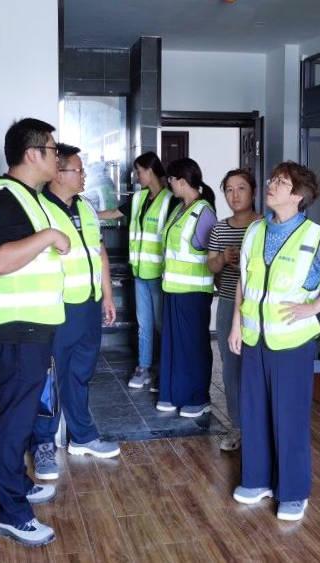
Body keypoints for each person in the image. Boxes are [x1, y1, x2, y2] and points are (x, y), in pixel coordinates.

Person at [228, 162, 320, 522]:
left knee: (289, 417)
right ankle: (256, 480)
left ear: (298, 196)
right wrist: (236, 324)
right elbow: (243, 280)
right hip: (254, 337)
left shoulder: (315, 237)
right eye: (272, 179)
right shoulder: (255, 230)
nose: (271, 185)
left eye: (281, 182)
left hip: (292, 341)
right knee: (254, 411)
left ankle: (293, 491)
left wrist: (313, 307)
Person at [0, 118, 67, 547]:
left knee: (20, 415)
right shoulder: (3, 199)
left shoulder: (29, 198)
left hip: (29, 327)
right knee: (12, 421)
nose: (57, 157)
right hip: (14, 328)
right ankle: (12, 514)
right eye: (52, 149)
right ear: (32, 154)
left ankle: (16, 485)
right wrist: (48, 235)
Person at [30, 144, 121, 482]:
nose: (84, 176)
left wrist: (107, 295)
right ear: (58, 173)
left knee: (80, 373)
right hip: (57, 308)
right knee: (50, 378)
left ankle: (82, 436)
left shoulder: (86, 207)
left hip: (88, 305)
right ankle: (42, 443)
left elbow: (99, 252)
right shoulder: (39, 209)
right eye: (78, 170)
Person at [100, 152, 174, 392]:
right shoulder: (139, 198)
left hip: (160, 275)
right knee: (144, 325)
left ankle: (164, 370)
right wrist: (87, 214)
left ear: (150, 170)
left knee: (161, 325)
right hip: (140, 273)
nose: (136, 176)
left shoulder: (170, 200)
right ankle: (144, 367)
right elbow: (115, 213)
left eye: (139, 171)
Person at [157, 157, 217, 417]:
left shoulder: (204, 212)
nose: (168, 183)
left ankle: (198, 397)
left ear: (182, 181)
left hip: (194, 293)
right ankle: (172, 393)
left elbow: (212, 254)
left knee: (192, 346)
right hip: (173, 289)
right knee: (173, 345)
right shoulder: (179, 209)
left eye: (171, 179)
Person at [206, 170, 261, 452]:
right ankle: (237, 426)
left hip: (259, 307)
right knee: (231, 368)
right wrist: (223, 259)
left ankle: (259, 426)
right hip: (228, 302)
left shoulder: (263, 225)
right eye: (229, 189)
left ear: (253, 191)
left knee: (258, 366)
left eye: (241, 188)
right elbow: (211, 266)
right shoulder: (220, 228)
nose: (235, 195)